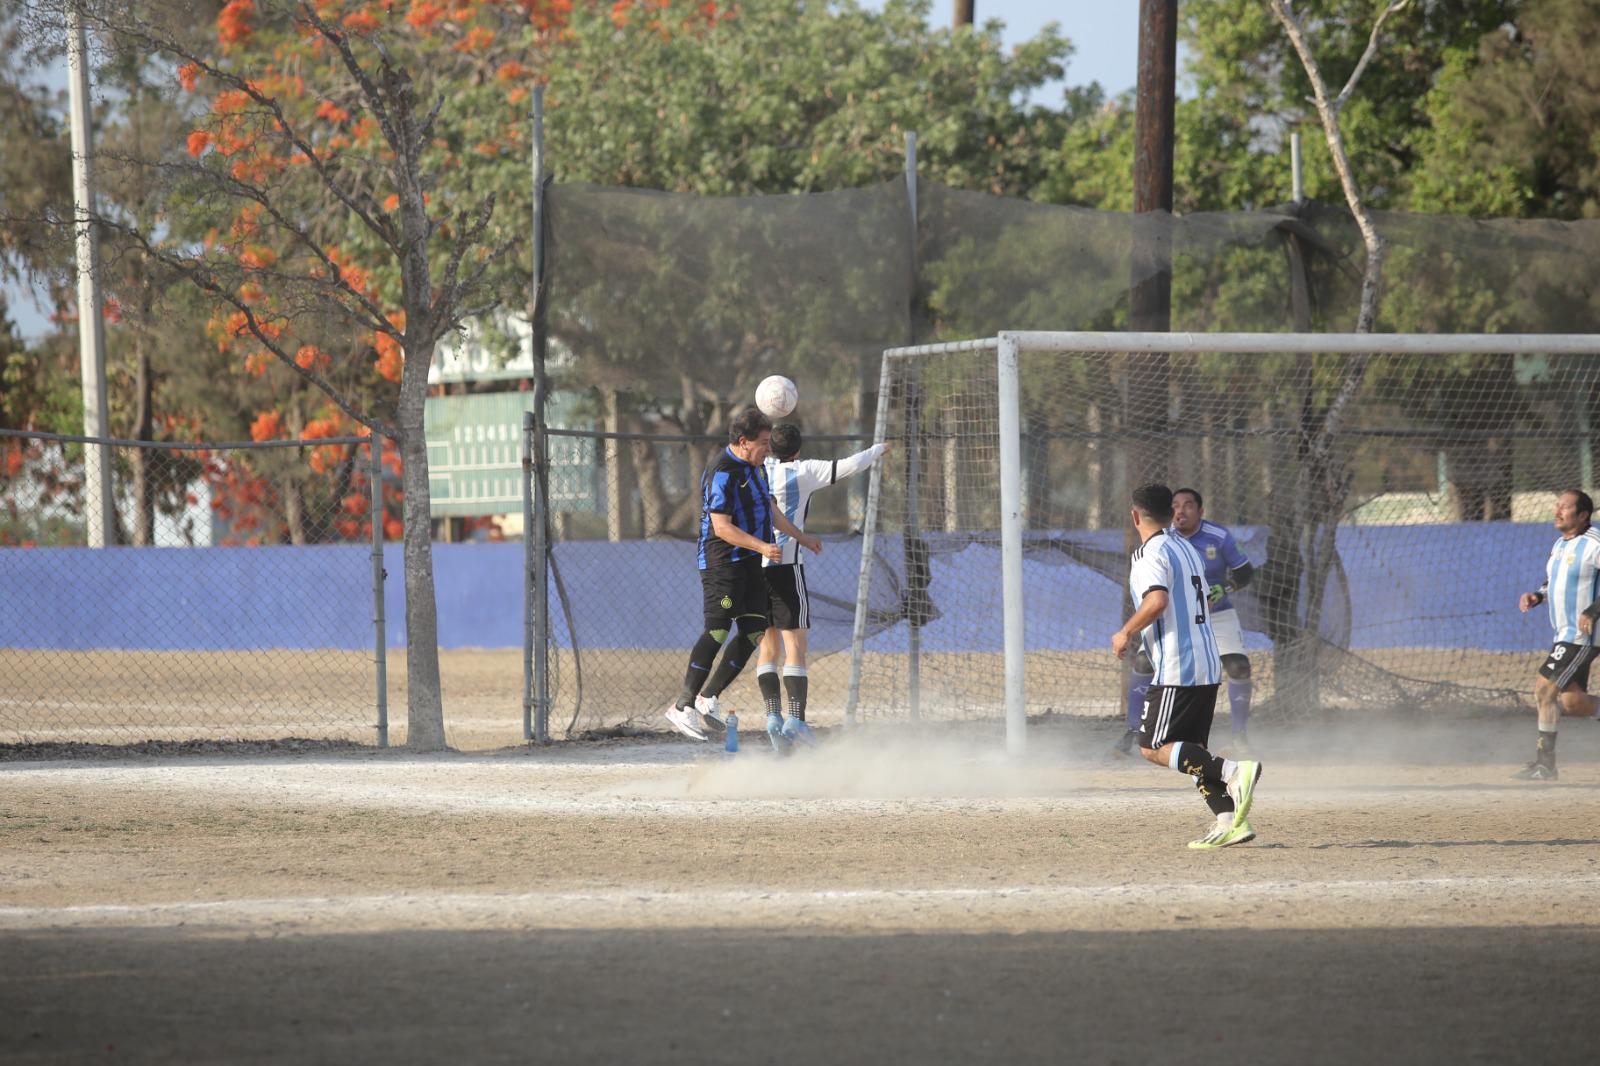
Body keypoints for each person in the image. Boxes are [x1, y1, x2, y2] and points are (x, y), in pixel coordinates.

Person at [1111, 483, 1263, 849]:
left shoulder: (1151, 554)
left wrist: (1125, 631)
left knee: (1152, 747)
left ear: (1135, 517)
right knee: (1191, 749)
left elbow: (1157, 600)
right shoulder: (1186, 547)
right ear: (1169, 512)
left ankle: (1234, 771)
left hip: (1177, 664)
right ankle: (1229, 821)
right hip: (1206, 660)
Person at [665, 406, 821, 742]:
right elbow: (722, 527)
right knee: (718, 630)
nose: (769, 448)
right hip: (722, 562)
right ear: (743, 441)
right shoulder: (723, 471)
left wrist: (801, 537)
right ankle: (682, 705)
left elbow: (769, 509)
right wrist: (763, 547)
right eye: (763, 442)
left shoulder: (759, 466)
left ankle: (709, 698)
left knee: (753, 631)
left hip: (750, 562)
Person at [754, 424, 891, 752]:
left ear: (769, 447)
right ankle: (795, 721)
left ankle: (772, 717)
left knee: (767, 648)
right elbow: (849, 465)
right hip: (786, 567)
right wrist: (878, 449)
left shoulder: (759, 469)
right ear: (798, 451)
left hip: (753, 567)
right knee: (795, 646)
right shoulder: (805, 470)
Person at [1514, 488, 1600, 779]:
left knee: (1543, 689)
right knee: (1572, 703)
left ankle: (1545, 765)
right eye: (1557, 505)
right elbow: (1553, 581)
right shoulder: (1560, 545)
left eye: (1565, 507)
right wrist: (1537, 596)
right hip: (1564, 632)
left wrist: (1592, 611)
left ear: (1583, 515)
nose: (1557, 511)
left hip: (1583, 634)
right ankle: (1545, 765)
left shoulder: (1594, 543)